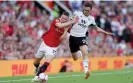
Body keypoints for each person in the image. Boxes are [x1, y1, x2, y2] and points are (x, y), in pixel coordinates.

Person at [69, 2, 113, 79]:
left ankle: (86, 71)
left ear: (91, 10)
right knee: (75, 58)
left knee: (85, 52)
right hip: (72, 37)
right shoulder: (76, 13)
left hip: (82, 37)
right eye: (85, 9)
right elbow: (70, 22)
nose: (86, 11)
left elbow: (97, 28)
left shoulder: (91, 19)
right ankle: (79, 53)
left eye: (88, 10)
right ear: (83, 8)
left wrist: (105, 32)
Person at [32, 12, 78, 82]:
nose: (62, 19)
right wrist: (71, 22)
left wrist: (70, 27)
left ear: (67, 19)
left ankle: (37, 76)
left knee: (47, 62)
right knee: (35, 62)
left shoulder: (67, 26)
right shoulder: (56, 21)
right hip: (44, 44)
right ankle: (38, 67)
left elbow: (71, 34)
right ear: (60, 16)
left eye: (65, 19)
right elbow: (59, 26)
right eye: (62, 18)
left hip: (53, 48)